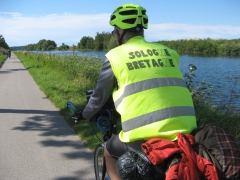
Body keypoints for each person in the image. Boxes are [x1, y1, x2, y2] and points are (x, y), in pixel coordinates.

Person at [78, 3, 197, 180]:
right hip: (186, 132)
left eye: (114, 33)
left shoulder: (115, 56)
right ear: (142, 31)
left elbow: (98, 97)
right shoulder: (169, 53)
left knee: (109, 150)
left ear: (118, 33)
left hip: (144, 137)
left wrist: (85, 115)